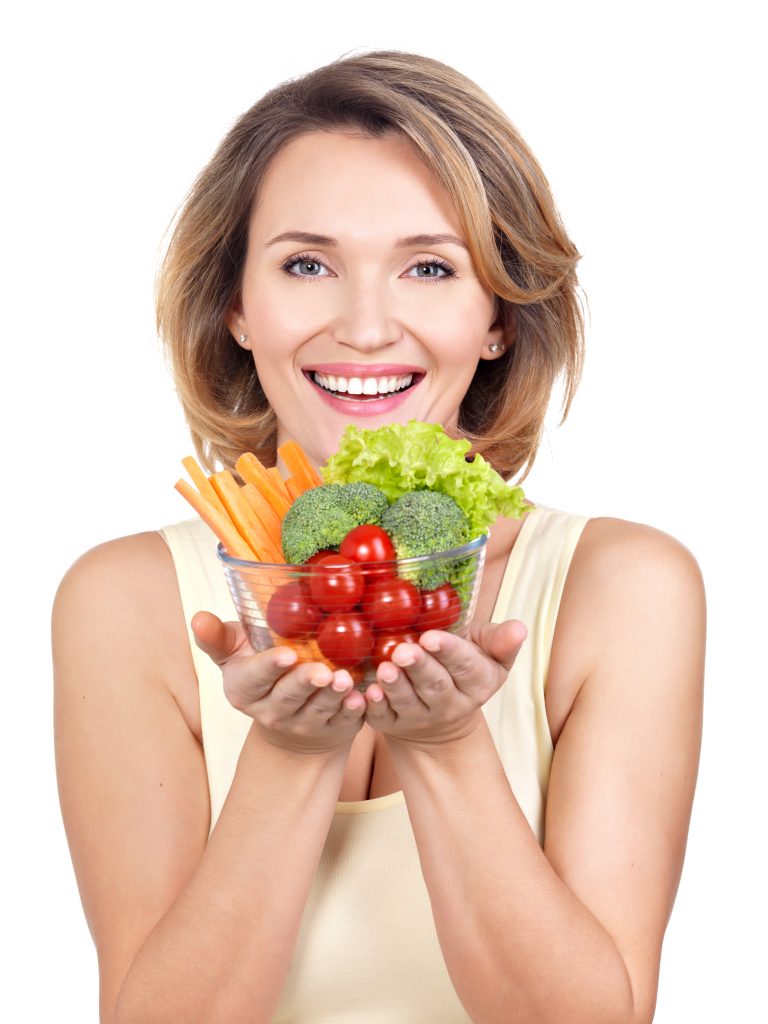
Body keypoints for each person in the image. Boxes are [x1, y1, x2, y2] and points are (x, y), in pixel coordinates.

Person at [52, 51, 705, 1024]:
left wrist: (444, 742)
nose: (364, 325)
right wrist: (288, 753)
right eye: (307, 263)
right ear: (236, 304)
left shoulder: (624, 588)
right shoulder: (124, 600)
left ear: (499, 318)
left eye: (430, 267)